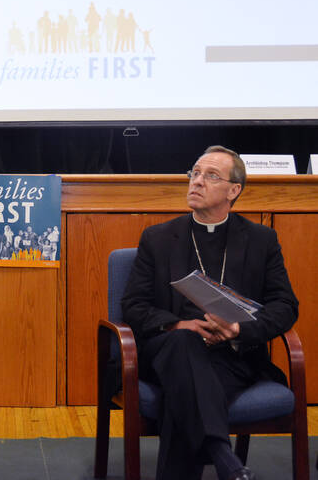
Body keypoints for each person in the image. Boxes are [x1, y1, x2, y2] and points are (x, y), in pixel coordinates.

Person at [121, 146, 298, 480]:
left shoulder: (262, 240)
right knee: (184, 344)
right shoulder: (158, 238)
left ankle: (219, 456)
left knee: (185, 393)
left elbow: (285, 306)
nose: (197, 181)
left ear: (234, 191)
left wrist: (238, 330)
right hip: (168, 349)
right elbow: (134, 305)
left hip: (232, 355)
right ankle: (222, 455)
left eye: (211, 176)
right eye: (195, 173)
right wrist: (178, 324)